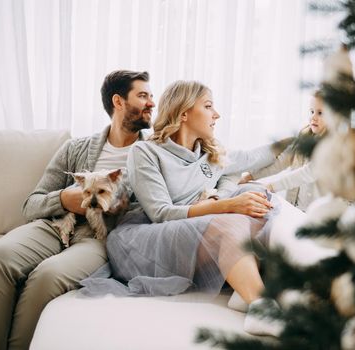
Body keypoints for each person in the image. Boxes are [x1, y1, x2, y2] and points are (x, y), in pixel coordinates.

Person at [0, 69, 155, 350]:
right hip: (55, 224)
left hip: (99, 238)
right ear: (118, 102)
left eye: (151, 96)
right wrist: (64, 199)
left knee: (48, 275)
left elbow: (158, 209)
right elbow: (31, 204)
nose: (152, 103)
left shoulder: (153, 154)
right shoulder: (75, 148)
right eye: (143, 96)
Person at [99, 80, 287, 336]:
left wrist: (303, 137)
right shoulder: (145, 151)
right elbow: (161, 213)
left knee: (256, 197)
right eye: (208, 106)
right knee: (230, 217)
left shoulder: (211, 154)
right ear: (184, 113)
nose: (216, 114)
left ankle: (245, 288)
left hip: (194, 229)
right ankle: (262, 307)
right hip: (147, 237)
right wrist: (225, 205)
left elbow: (255, 157)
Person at [239, 90, 327, 211]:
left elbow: (307, 173)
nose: (313, 117)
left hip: (318, 213)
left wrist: (272, 186)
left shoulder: (334, 146)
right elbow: (280, 163)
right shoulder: (304, 137)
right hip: (295, 208)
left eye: (320, 113)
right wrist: (250, 176)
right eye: (312, 111)